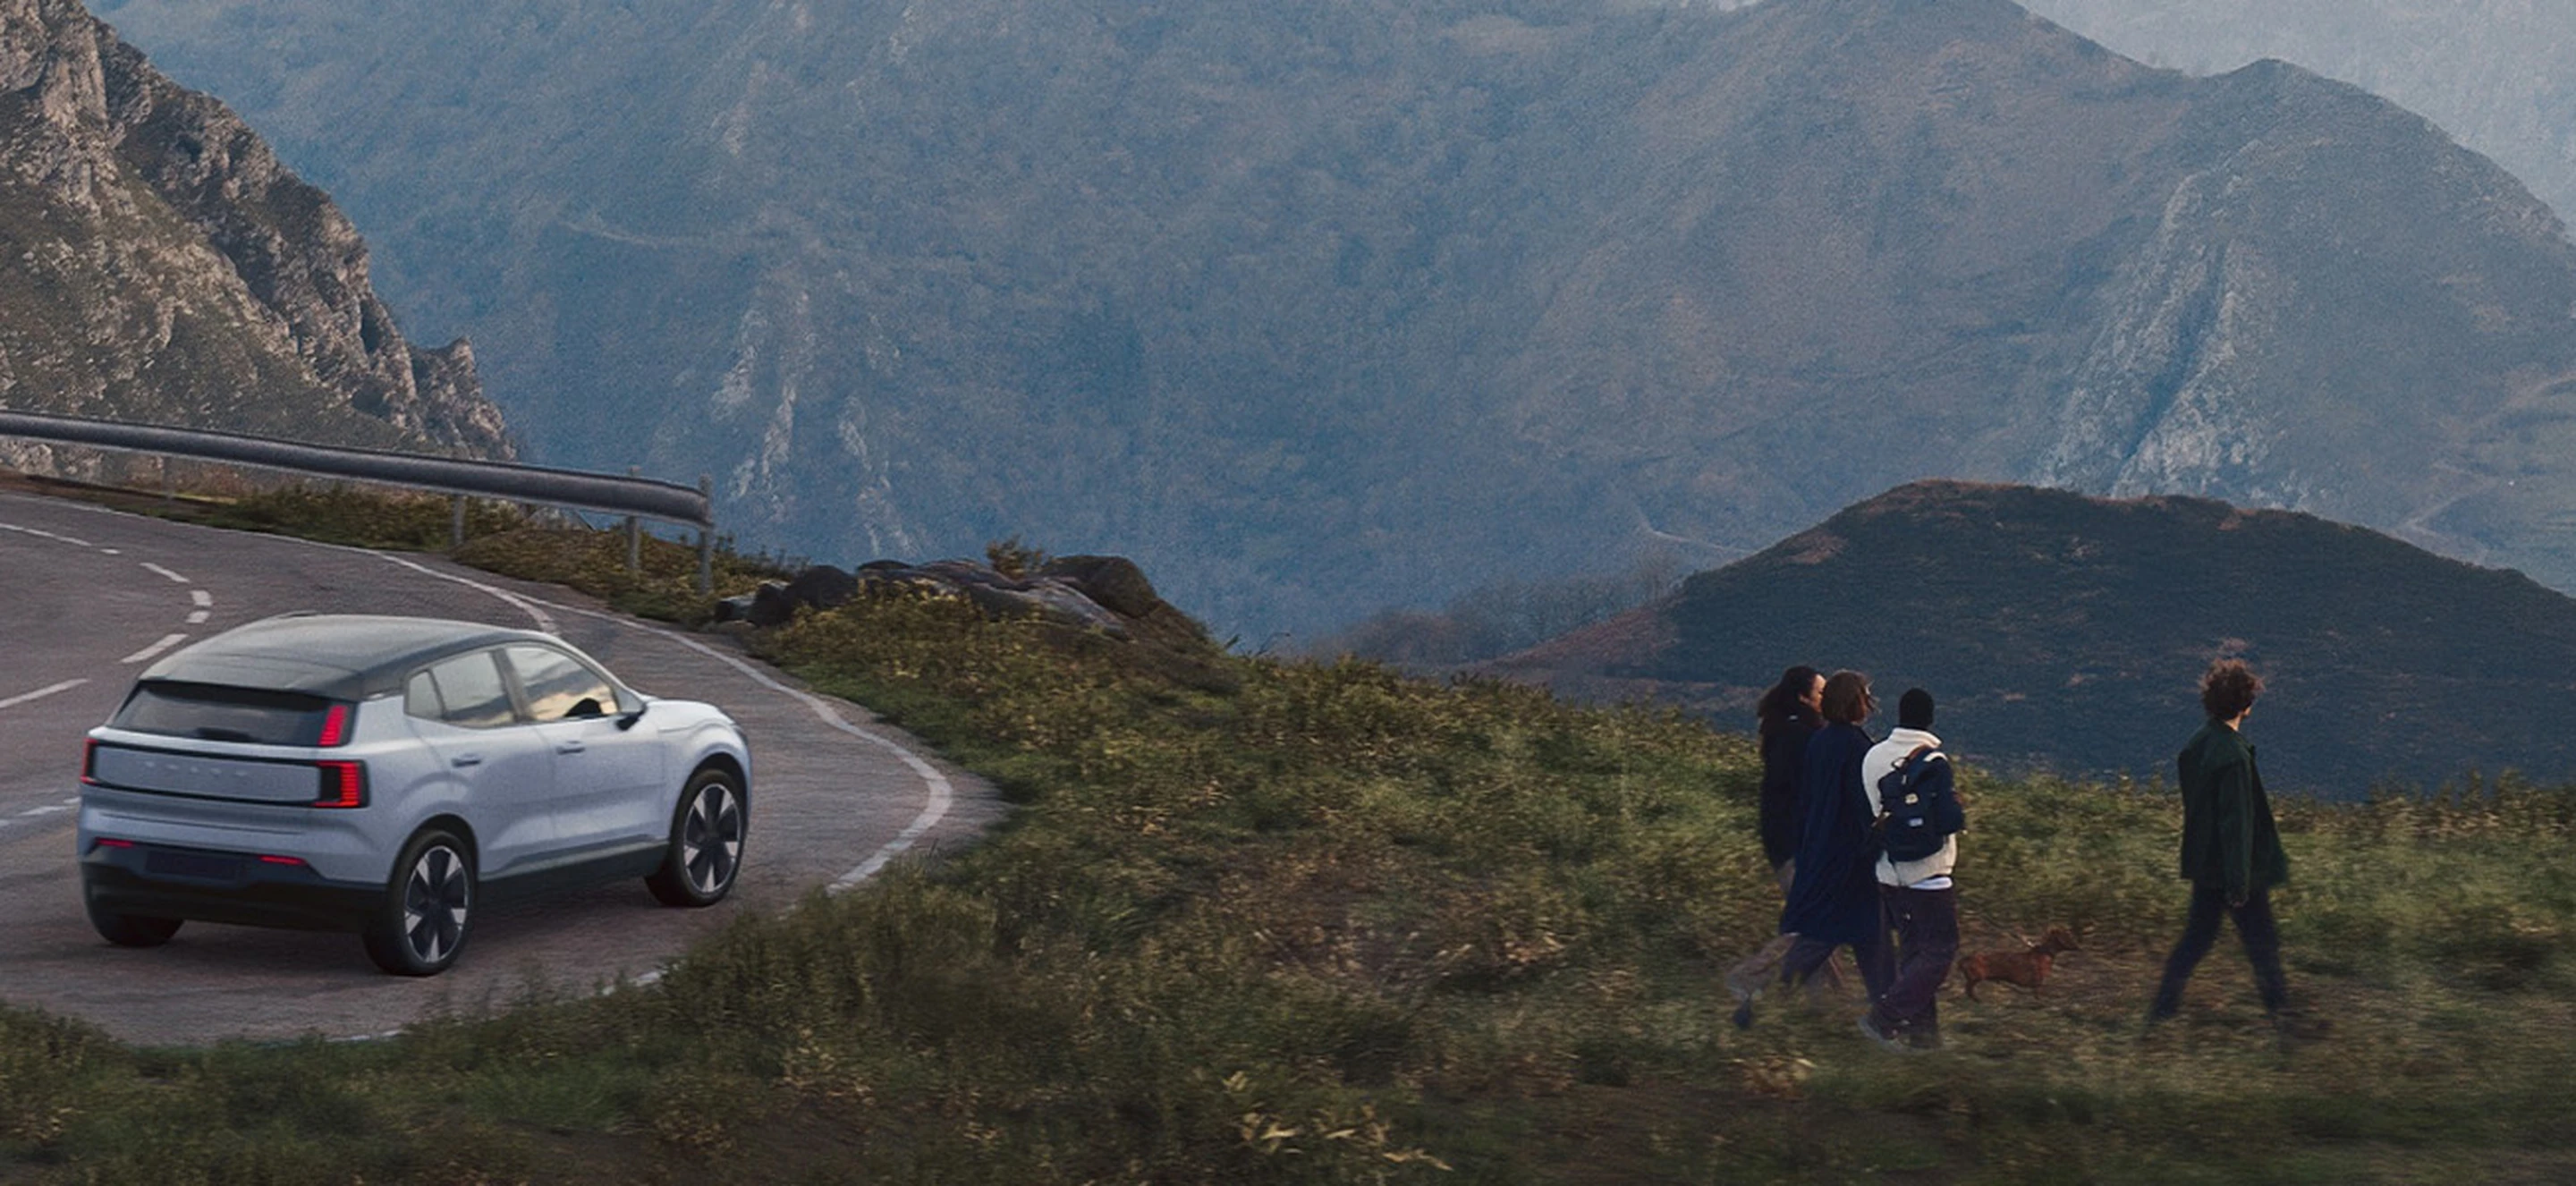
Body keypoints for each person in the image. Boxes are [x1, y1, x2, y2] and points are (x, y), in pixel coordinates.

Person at [2147, 659, 2293, 1029]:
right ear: (2247, 705)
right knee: (2263, 946)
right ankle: (2286, 1021)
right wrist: (2239, 884)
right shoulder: (2234, 757)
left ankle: (2161, 1014)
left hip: (2204, 865)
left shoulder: (2198, 744)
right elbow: (2237, 825)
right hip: (2235, 871)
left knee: (2195, 941)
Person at [1776, 671, 1894, 1007]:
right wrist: (1878, 836)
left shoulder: (1820, 741)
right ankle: (1889, 1009)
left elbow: (1808, 798)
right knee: (1855, 933)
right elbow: (1862, 804)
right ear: (1856, 702)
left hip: (1821, 847)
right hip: (1851, 854)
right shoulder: (1858, 747)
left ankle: (1888, 1006)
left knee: (1850, 931)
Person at [1859, 688, 1962, 1051]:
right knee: (1941, 949)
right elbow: (1948, 821)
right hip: (1929, 872)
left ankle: (1924, 1037)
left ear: (1899, 715)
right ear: (1930, 718)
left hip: (1888, 871)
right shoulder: (1935, 761)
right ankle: (1884, 1017)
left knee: (1915, 952)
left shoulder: (1872, 757)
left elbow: (1874, 811)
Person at [1724, 666, 1825, 1028]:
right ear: (1803, 697)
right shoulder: (1801, 738)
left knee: (1816, 924)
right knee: (1811, 925)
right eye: (1820, 693)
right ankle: (1748, 976)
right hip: (1795, 845)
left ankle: (1820, 1005)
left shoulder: (1784, 732)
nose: (1825, 699)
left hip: (1786, 843)